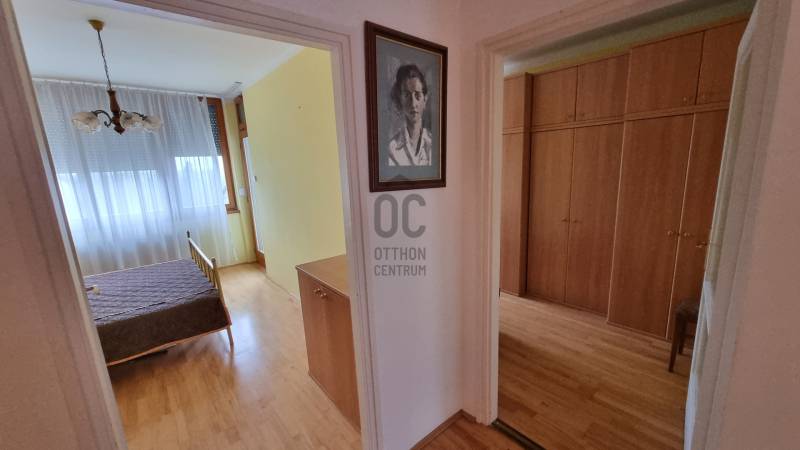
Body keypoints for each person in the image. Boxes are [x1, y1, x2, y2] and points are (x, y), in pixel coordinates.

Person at [387, 64, 432, 166]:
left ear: (425, 99)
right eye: (407, 95)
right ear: (400, 100)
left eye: (417, 95)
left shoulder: (432, 144)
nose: (413, 103)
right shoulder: (391, 150)